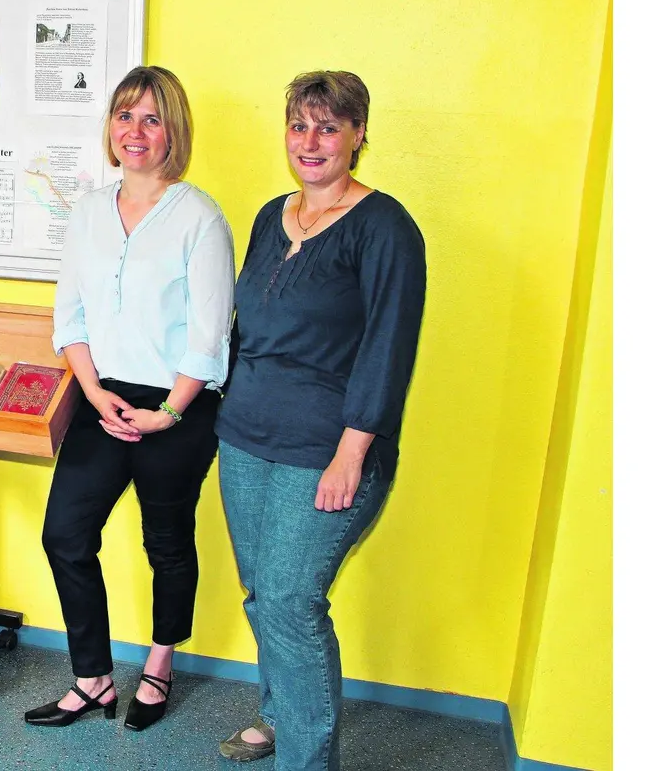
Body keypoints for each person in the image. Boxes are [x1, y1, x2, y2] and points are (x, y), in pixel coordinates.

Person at [213, 71, 426, 770]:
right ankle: (278, 715)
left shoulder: (386, 228)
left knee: (290, 601)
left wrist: (351, 454)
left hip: (328, 449)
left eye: (328, 127)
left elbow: (388, 348)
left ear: (358, 135)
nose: (311, 142)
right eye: (299, 126)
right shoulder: (272, 215)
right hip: (245, 438)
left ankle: (306, 761)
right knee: (261, 592)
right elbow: (250, 325)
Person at [30, 65, 234, 732]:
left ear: (173, 129)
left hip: (181, 405)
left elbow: (209, 335)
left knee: (167, 541)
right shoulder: (88, 211)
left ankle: (159, 664)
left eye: (151, 118)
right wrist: (92, 392)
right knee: (65, 534)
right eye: (124, 116)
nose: (135, 131)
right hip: (103, 397)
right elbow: (70, 317)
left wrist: (168, 411)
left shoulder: (199, 215)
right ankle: (92, 679)